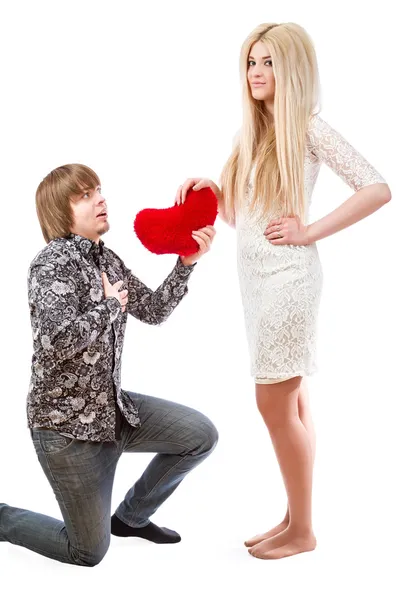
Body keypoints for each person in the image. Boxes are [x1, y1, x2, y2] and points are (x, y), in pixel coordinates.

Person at [176, 22, 391, 560]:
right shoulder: (251, 133)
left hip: (289, 282)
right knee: (293, 405)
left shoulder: (309, 129)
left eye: (268, 62)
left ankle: (303, 531)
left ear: (291, 68)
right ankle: (297, 517)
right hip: (255, 285)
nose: (256, 72)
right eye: (251, 62)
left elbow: (377, 187)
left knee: (273, 403)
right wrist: (210, 192)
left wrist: (309, 230)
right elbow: (239, 217)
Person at [0, 163, 218, 566]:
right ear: (59, 210)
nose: (101, 198)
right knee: (87, 551)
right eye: (84, 194)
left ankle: (132, 518)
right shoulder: (50, 264)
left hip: (113, 411)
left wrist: (186, 263)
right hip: (67, 432)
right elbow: (54, 342)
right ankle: (1, 518)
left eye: (98, 189)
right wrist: (110, 306)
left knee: (200, 435)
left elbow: (152, 310)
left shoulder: (108, 260)